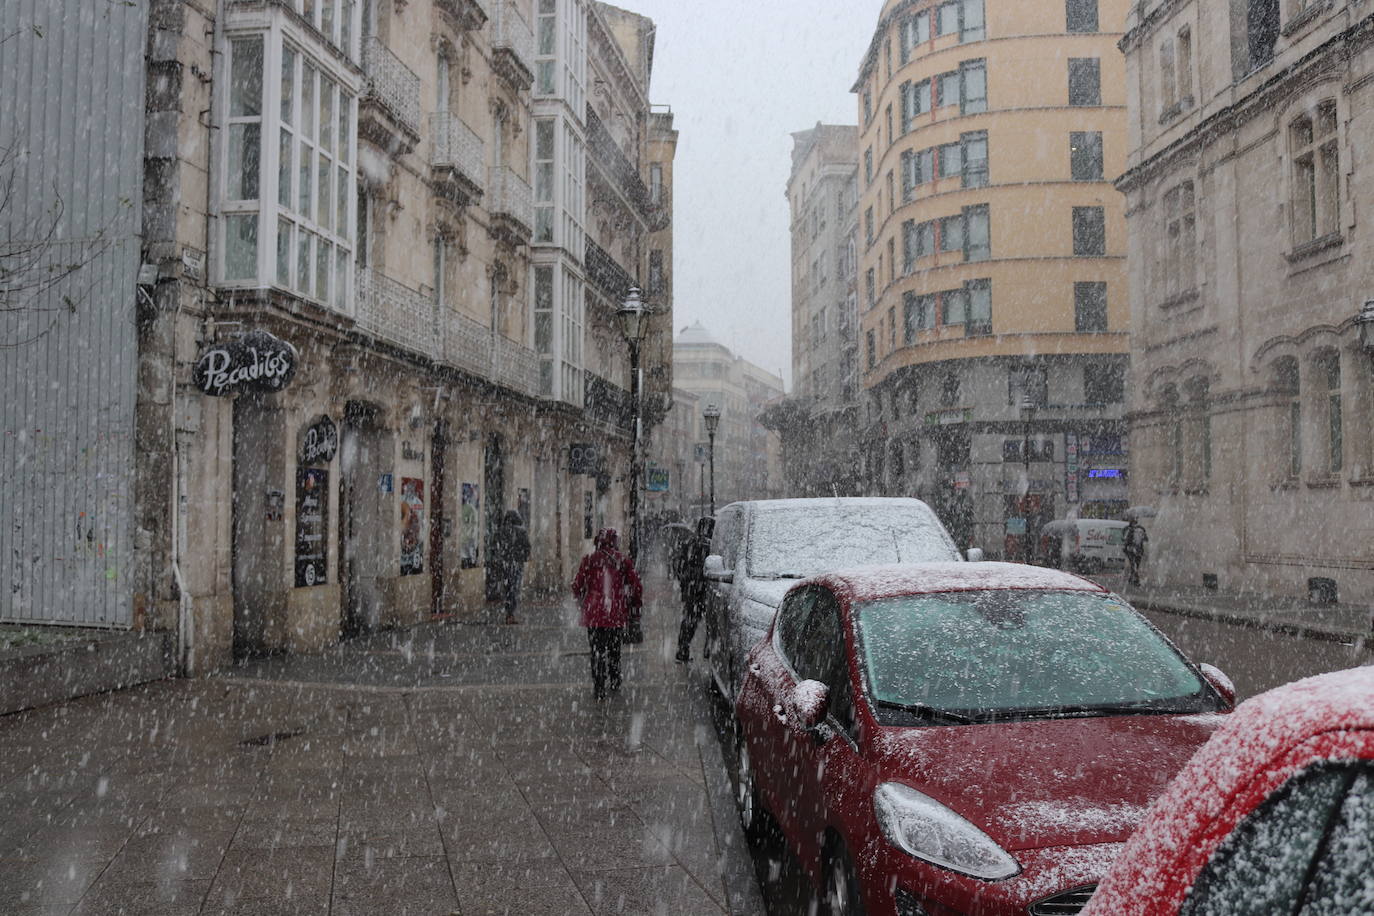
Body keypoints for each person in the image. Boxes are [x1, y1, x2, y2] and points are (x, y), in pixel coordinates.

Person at [572, 528, 643, 700]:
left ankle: (599, 686)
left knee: (597, 651)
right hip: (615, 613)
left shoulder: (589, 560)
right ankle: (615, 678)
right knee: (614, 649)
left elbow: (577, 585)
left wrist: (583, 601)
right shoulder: (623, 561)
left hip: (594, 614)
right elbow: (636, 587)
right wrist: (635, 606)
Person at [675, 516, 715, 663]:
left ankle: (682, 649)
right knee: (712, 622)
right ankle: (709, 650)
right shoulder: (712, 546)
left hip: (692, 590)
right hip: (706, 589)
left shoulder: (690, 543)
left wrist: (685, 583)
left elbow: (679, 565)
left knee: (690, 621)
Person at [491, 509, 531, 624]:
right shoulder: (522, 531)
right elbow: (527, 547)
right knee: (515, 588)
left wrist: (500, 560)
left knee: (508, 588)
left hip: (504, 565)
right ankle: (511, 614)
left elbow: (495, 547)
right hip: (516, 564)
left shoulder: (500, 531)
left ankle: (509, 613)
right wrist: (522, 558)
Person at [1124, 518, 1149, 586]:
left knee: (1134, 565)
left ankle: (1133, 579)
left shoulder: (1129, 529)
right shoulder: (1140, 529)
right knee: (1135, 565)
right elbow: (1146, 539)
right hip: (1137, 550)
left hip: (1132, 550)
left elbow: (1125, 539)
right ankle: (1135, 580)